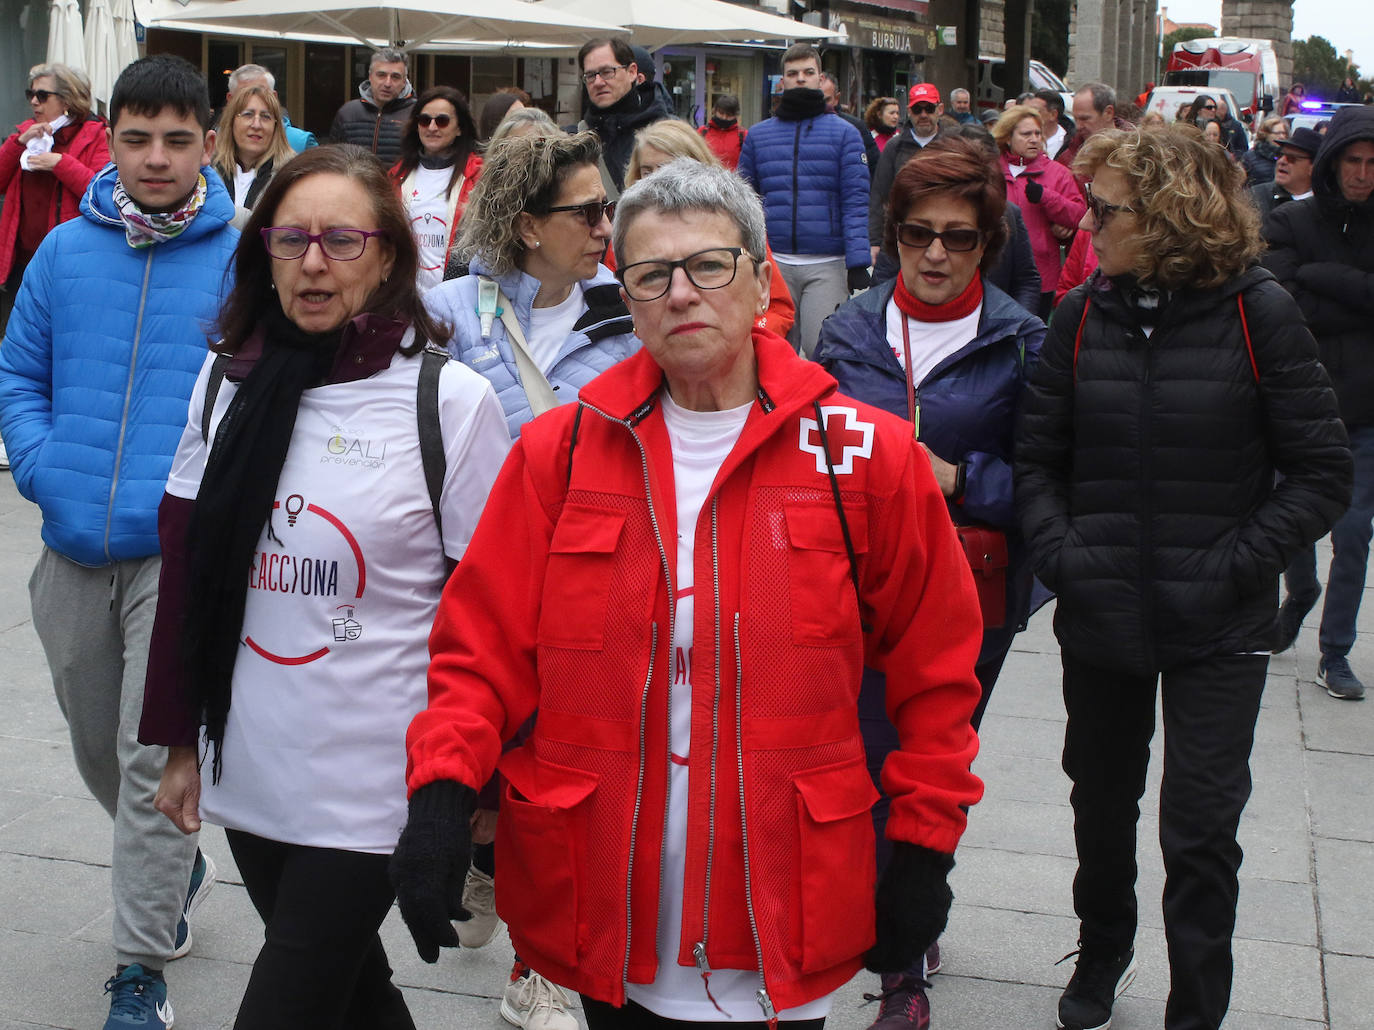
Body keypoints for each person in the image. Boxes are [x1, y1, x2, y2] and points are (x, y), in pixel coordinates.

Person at [390, 156, 985, 1029]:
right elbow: (479, 649)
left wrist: (925, 846)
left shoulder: (868, 458)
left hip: (782, 897)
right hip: (603, 898)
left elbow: (938, 674)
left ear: (758, 279)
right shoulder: (559, 454)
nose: (682, 293)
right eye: (650, 274)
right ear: (624, 296)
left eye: (710, 265)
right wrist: (442, 795)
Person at [138, 143, 510, 1029]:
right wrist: (177, 741)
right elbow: (185, 564)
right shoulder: (225, 383)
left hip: (376, 779)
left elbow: (491, 614)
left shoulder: (447, 401)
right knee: (354, 995)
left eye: (342, 239)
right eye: (290, 237)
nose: (313, 262)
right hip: (253, 763)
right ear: (259, 251)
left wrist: (476, 791)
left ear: (387, 255)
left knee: (287, 1003)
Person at [1016, 126, 1351, 1030]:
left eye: (1107, 207)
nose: (1088, 222)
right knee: (1101, 803)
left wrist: (1235, 564)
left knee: (1201, 832)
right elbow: (1037, 461)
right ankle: (1104, 946)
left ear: (1168, 214)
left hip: (1219, 624)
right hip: (1103, 613)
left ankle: (1196, 1006)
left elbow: (1321, 472)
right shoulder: (1080, 313)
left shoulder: (1260, 311)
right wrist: (1068, 558)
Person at [0, 53, 239, 1030]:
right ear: (114, 138)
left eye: (177, 140)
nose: (155, 158)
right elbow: (18, 372)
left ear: (207, 145)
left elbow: (265, 392)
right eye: (137, 138)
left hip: (176, 551)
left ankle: (139, 968)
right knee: (97, 745)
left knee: (150, 754)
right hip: (68, 539)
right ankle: (172, 866)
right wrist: (43, 466)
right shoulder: (63, 252)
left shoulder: (243, 259)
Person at [816, 137, 1045, 1029]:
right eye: (919, 235)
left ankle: (904, 961)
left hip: (968, 597)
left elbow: (1049, 479)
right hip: (857, 588)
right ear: (892, 238)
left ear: (988, 242)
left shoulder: (1025, 342)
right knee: (870, 764)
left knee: (930, 768)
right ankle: (897, 933)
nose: (938, 255)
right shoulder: (849, 329)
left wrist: (958, 479)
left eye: (960, 236)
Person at [1262, 106, 1374, 699]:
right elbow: (1284, 300)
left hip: (1365, 412)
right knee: (1293, 521)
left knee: (1354, 531)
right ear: (1333, 165)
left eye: (1373, 163)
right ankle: (1300, 591)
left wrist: (1321, 277)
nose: (1362, 174)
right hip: (1300, 402)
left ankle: (1336, 652)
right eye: (1353, 161)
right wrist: (1354, 293)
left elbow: (1308, 290)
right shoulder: (1291, 221)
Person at [426, 131, 638, 440]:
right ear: (528, 226)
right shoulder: (445, 314)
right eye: (588, 213)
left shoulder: (626, 315)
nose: (605, 229)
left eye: (606, 209)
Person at [739, 43, 871, 358]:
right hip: (774, 261)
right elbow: (743, 200)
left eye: (808, 72)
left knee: (821, 349)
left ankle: (816, 408)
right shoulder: (759, 135)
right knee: (771, 350)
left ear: (820, 78)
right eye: (793, 73)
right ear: (781, 80)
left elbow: (855, 200)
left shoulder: (845, 134)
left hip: (827, 261)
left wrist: (857, 261)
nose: (800, 79)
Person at [625, 118, 795, 340]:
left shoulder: (733, 224)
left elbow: (778, 308)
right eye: (647, 172)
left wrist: (743, 343)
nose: (658, 182)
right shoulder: (627, 236)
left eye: (669, 169)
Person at [0, 63, 107, 331]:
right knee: (14, 338)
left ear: (69, 99)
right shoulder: (27, 132)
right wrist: (17, 143)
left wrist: (60, 163)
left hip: (67, 264)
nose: (34, 102)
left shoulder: (96, 135)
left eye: (42, 95)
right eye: (31, 94)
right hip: (20, 262)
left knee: (59, 337)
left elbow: (102, 192)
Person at [993, 105, 1085, 318]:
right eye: (1026, 134)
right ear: (1007, 138)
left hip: (1040, 275)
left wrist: (1046, 197)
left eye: (1037, 134)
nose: (1034, 139)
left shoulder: (1057, 173)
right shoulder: (990, 171)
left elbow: (1079, 215)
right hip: (995, 271)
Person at [389, 85, 482, 292]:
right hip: (406, 299)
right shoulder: (397, 176)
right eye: (424, 120)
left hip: (457, 296)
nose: (432, 127)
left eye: (442, 120)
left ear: (459, 128)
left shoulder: (478, 177)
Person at [575, 37, 669, 197]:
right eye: (590, 75)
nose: (598, 82)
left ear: (632, 72)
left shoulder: (669, 133)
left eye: (607, 72)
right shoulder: (577, 138)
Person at [870, 84, 946, 264]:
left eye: (929, 108)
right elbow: (879, 195)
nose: (924, 115)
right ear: (909, 112)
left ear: (940, 109)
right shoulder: (894, 147)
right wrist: (874, 241)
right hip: (901, 237)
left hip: (943, 237)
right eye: (917, 109)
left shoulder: (953, 144)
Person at [211, 83, 293, 226]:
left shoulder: (290, 175)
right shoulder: (206, 170)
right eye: (248, 115)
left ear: (276, 126)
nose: (256, 125)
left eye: (265, 117)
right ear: (231, 121)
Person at [328, 48, 416, 165]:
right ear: (370, 77)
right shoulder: (348, 113)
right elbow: (333, 158)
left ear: (404, 81)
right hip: (356, 182)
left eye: (395, 77)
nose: (387, 83)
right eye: (381, 75)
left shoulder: (416, 114)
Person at [224, 64, 316, 152]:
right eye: (244, 95)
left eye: (261, 92)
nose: (254, 99)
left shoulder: (301, 143)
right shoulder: (216, 140)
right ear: (230, 99)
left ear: (274, 97)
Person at [1249, 125, 1320, 219]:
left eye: (1291, 158)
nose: (1281, 161)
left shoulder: (1326, 205)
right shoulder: (1255, 197)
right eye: (1280, 155)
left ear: (1312, 167)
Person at [1056, 82, 1131, 171]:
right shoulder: (1066, 160)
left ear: (1108, 113)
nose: (1078, 126)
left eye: (1084, 119)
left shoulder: (1135, 153)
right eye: (1075, 119)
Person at [820, 71, 880, 174]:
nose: (821, 105)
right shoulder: (798, 126)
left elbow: (876, 169)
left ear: (837, 98)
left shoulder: (856, 128)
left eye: (827, 100)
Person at [698, 93, 746, 169]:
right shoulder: (702, 132)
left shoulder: (743, 135)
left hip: (733, 179)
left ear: (735, 115)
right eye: (721, 113)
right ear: (714, 111)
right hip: (706, 179)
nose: (724, 117)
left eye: (729, 115)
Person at [1242, 115, 1288, 186]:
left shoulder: (1288, 157)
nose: (1282, 137)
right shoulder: (1249, 157)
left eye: (1284, 133)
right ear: (1266, 134)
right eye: (1277, 133)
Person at [1030, 89, 1073, 159]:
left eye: (1035, 111)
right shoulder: (1023, 139)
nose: (1029, 115)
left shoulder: (1067, 144)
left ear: (1053, 115)